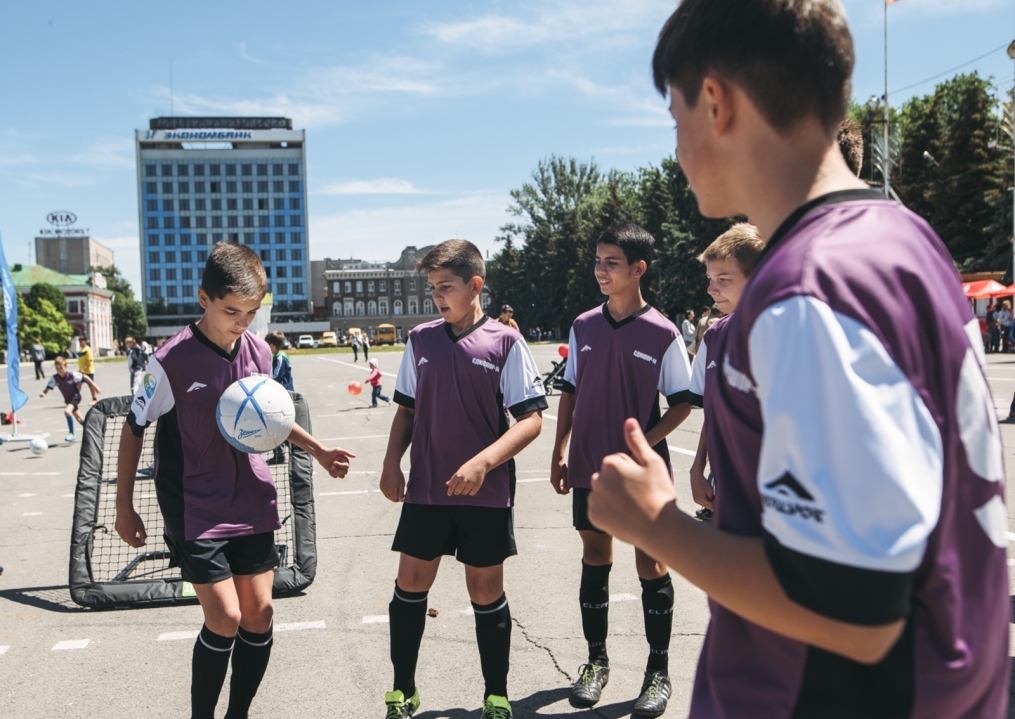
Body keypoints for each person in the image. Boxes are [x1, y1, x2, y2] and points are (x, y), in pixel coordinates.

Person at [588, 1, 1009, 717]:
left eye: (675, 119)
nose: (677, 146)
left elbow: (856, 607)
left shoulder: (807, 287)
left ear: (715, 102)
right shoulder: (900, 238)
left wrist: (657, 523)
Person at [113, 243, 355, 719]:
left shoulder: (260, 351)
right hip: (194, 504)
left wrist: (320, 450)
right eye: (231, 311)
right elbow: (132, 429)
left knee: (260, 614)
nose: (242, 322)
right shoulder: (168, 362)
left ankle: (237, 714)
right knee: (224, 618)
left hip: (251, 497)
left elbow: (272, 416)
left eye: (252, 311)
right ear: (203, 299)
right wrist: (124, 505)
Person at [379, 240, 547, 719]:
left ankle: (496, 695)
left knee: (485, 591)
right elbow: (405, 411)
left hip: (485, 493)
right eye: (432, 288)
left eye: (446, 287)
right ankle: (402, 690)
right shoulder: (421, 340)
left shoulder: (506, 343)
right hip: (428, 490)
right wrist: (392, 463)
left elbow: (532, 420)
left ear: (476, 285)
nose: (437, 296)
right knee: (410, 583)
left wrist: (484, 462)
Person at [549, 224, 693, 716]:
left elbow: (682, 405)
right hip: (589, 464)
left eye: (612, 262)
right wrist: (559, 447)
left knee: (651, 563)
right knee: (595, 555)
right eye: (597, 260)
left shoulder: (664, 332)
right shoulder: (583, 325)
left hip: (641, 472)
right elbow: (569, 391)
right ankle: (596, 662)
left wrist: (642, 446)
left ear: (638, 269)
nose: (601, 270)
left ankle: (658, 672)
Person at [687, 224, 765, 523]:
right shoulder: (714, 335)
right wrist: (697, 467)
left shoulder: (785, 333)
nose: (711, 289)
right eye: (709, 278)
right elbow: (713, 412)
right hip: (726, 490)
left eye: (723, 279)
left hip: (775, 500)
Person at [40, 355, 101, 442]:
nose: (59, 370)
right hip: (68, 400)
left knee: (67, 412)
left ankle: (71, 433)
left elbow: (86, 377)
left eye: (61, 368)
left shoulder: (72, 375)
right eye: (57, 368)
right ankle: (94, 431)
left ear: (66, 366)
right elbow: (48, 388)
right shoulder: (55, 378)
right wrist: (43, 393)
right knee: (79, 419)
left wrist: (95, 387)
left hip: (75, 397)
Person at [265, 331, 294, 466]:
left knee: (275, 425)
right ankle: (282, 452)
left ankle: (281, 454)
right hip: (280, 395)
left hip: (282, 396)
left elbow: (275, 376)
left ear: (271, 346)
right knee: (278, 426)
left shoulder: (280, 358)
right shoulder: (278, 356)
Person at [76, 336, 98, 403]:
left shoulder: (88, 349)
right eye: (79, 341)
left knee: (91, 385)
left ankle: (94, 398)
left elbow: (89, 360)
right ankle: (75, 398)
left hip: (88, 371)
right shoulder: (81, 350)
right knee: (78, 384)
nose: (80, 342)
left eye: (81, 341)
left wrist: (84, 369)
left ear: (85, 341)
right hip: (81, 371)